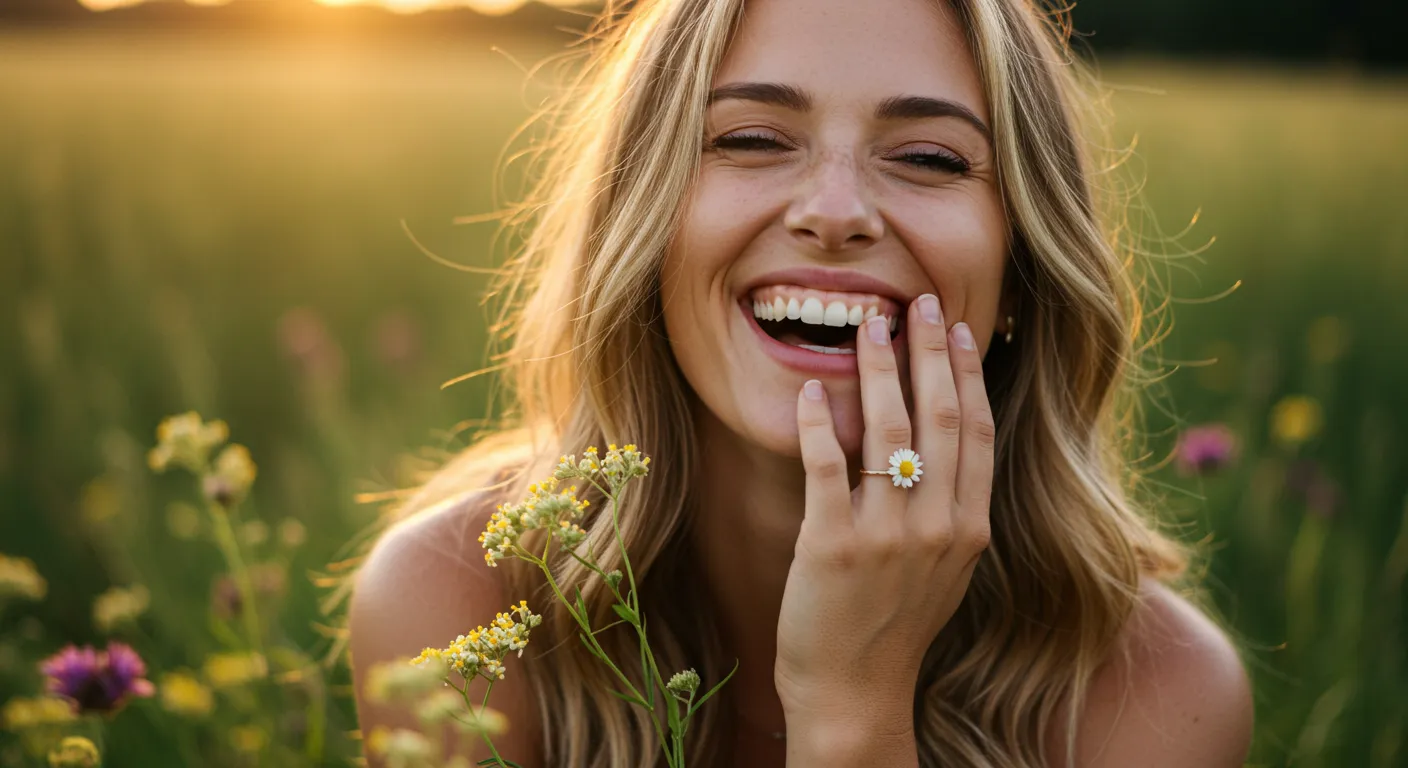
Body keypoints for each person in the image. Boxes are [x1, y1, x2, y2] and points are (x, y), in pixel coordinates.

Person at [348, 0, 1254, 765]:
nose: (834, 213)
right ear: (643, 220)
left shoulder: (1158, 696)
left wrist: (851, 714)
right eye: (750, 138)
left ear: (1022, 268)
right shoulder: (459, 605)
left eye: (931, 157)